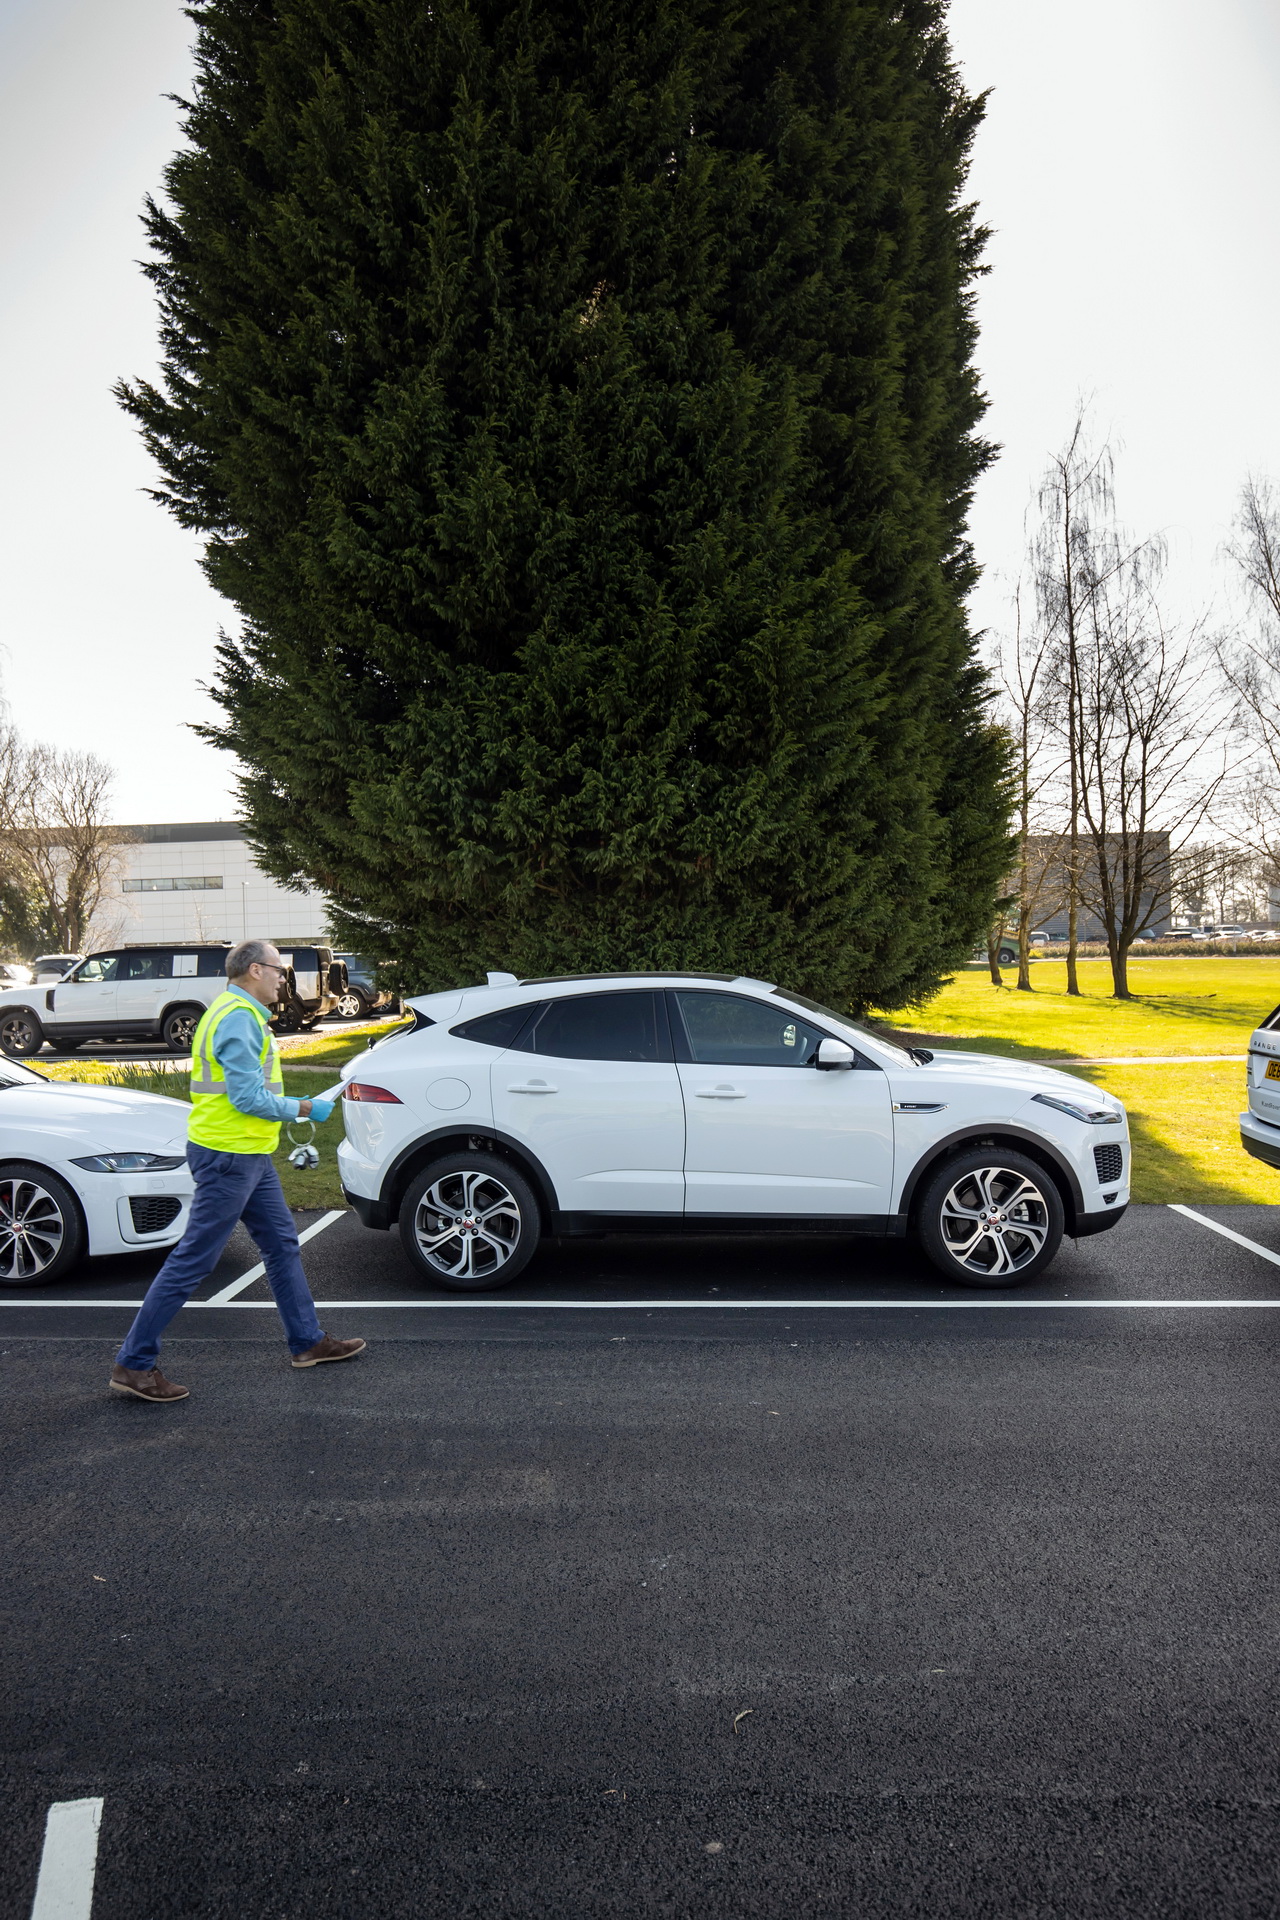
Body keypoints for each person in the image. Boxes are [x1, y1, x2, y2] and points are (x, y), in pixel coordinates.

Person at [109, 939, 365, 1402]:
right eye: (278, 970)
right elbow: (248, 1099)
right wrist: (306, 1107)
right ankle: (134, 1363)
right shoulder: (239, 1019)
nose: (283, 977)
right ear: (253, 971)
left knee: (282, 1243)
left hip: (245, 1154)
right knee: (194, 1260)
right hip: (228, 1157)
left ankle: (307, 1342)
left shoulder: (234, 1012)